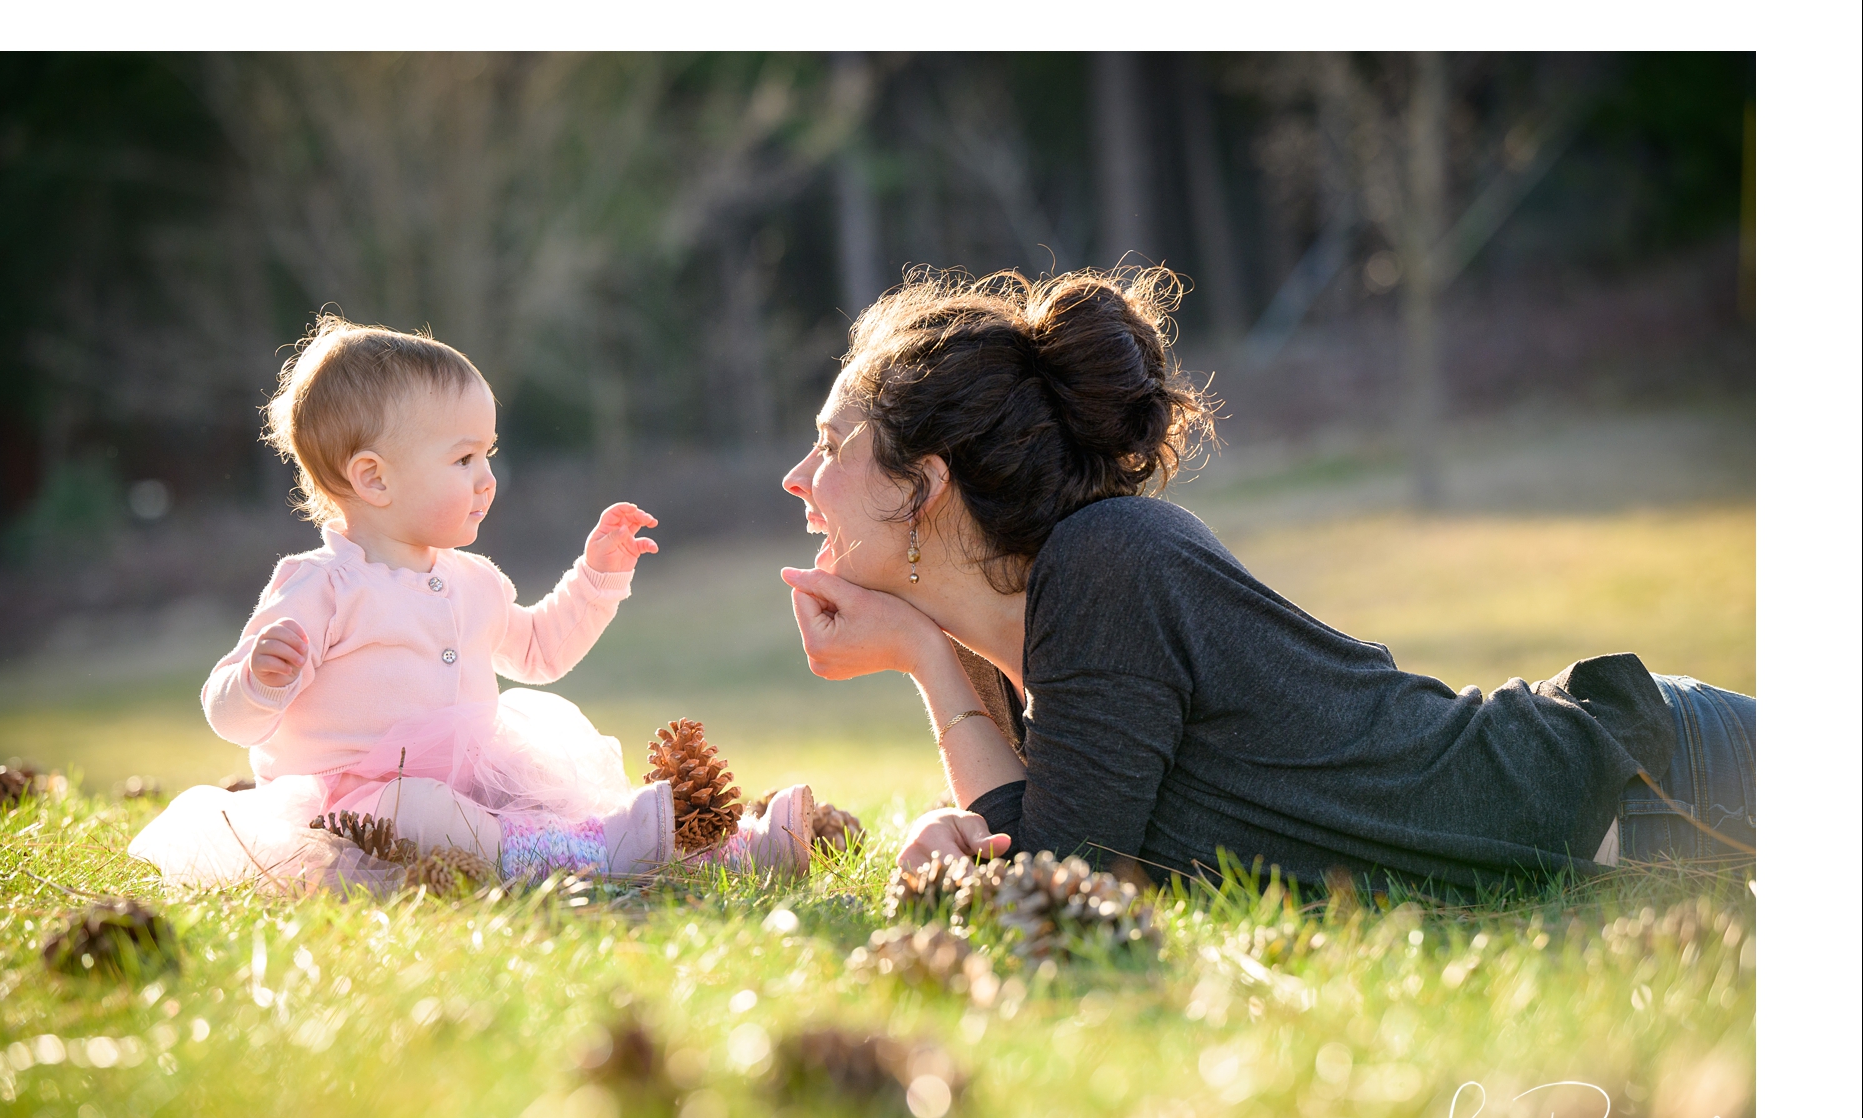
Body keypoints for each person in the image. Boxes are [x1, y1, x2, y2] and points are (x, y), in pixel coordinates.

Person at [779, 268, 1754, 893]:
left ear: (925, 487)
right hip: (1619, 854)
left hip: (1654, 791)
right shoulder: (1027, 652)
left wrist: (917, 656)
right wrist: (935, 664)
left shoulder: (1104, 565)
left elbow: (1058, 882)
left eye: (829, 446)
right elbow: (1052, 887)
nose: (797, 480)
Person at [130, 314, 811, 890]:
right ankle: (604, 855)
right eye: (464, 460)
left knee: (555, 810)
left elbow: (541, 651)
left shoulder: (473, 580)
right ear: (373, 478)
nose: (488, 478)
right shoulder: (321, 585)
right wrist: (259, 680)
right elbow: (228, 712)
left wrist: (597, 576)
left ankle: (735, 851)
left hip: (479, 789)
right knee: (419, 808)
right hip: (363, 817)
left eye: (489, 454)